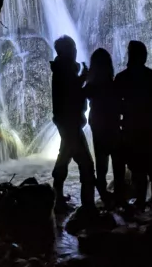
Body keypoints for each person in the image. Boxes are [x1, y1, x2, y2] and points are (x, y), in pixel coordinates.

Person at [114, 41, 152, 209]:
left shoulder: (122, 78)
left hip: (131, 127)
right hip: (149, 125)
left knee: (136, 165)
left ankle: (142, 200)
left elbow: (115, 104)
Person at [50, 35, 96, 212]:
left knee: (64, 157)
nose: (76, 51)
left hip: (66, 122)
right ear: (66, 51)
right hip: (70, 123)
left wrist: (82, 77)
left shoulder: (62, 69)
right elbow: (73, 94)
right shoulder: (64, 71)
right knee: (86, 164)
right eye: (73, 48)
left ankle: (58, 198)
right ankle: (88, 206)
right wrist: (85, 77)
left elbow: (71, 91)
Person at [84, 48, 125, 207]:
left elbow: (81, 96)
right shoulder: (114, 84)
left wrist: (84, 76)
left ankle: (103, 194)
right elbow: (122, 105)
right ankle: (119, 195)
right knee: (118, 162)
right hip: (113, 125)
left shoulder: (92, 86)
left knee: (101, 164)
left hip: (98, 126)